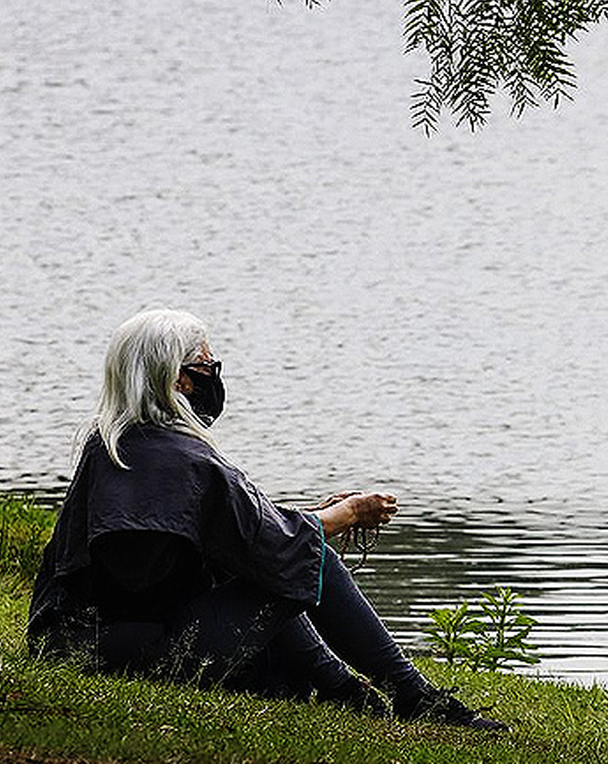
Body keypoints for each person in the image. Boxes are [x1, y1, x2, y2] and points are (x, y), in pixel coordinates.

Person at [27, 308, 507, 730]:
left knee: (276, 560)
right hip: (129, 654)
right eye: (208, 366)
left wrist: (309, 519)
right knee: (308, 557)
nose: (215, 375)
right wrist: (346, 514)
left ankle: (343, 689)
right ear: (179, 381)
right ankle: (409, 694)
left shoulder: (113, 442)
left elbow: (237, 533)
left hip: (74, 643)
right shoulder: (180, 457)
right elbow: (270, 543)